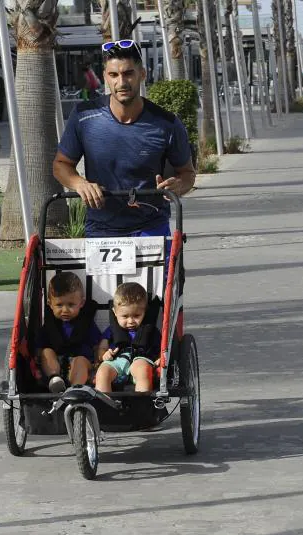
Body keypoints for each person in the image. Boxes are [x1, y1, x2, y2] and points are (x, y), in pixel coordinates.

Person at [53, 39, 196, 238]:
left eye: (128, 73)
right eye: (113, 75)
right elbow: (61, 164)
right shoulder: (84, 116)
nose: (121, 82)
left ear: (142, 74)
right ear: (105, 77)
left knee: (167, 269)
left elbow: (188, 173)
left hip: (151, 228)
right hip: (100, 229)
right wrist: (80, 183)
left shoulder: (167, 123)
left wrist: (178, 185)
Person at [38, 272, 103, 393]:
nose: (65, 310)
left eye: (71, 305)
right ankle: (54, 379)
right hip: (56, 364)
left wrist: (98, 363)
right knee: (46, 352)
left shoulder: (86, 323)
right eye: (59, 305)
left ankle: (74, 390)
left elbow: (96, 346)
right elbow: (39, 347)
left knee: (80, 361)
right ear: (50, 304)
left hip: (81, 363)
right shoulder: (49, 325)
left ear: (81, 303)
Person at [95, 282, 161, 393]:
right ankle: (104, 406)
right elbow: (101, 348)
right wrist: (104, 355)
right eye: (125, 316)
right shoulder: (111, 330)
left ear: (144, 312)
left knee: (142, 370)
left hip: (141, 359)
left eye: (136, 316)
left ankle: (141, 405)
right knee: (102, 372)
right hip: (116, 361)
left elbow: (161, 348)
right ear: (115, 313)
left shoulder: (150, 330)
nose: (130, 321)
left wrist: (160, 358)